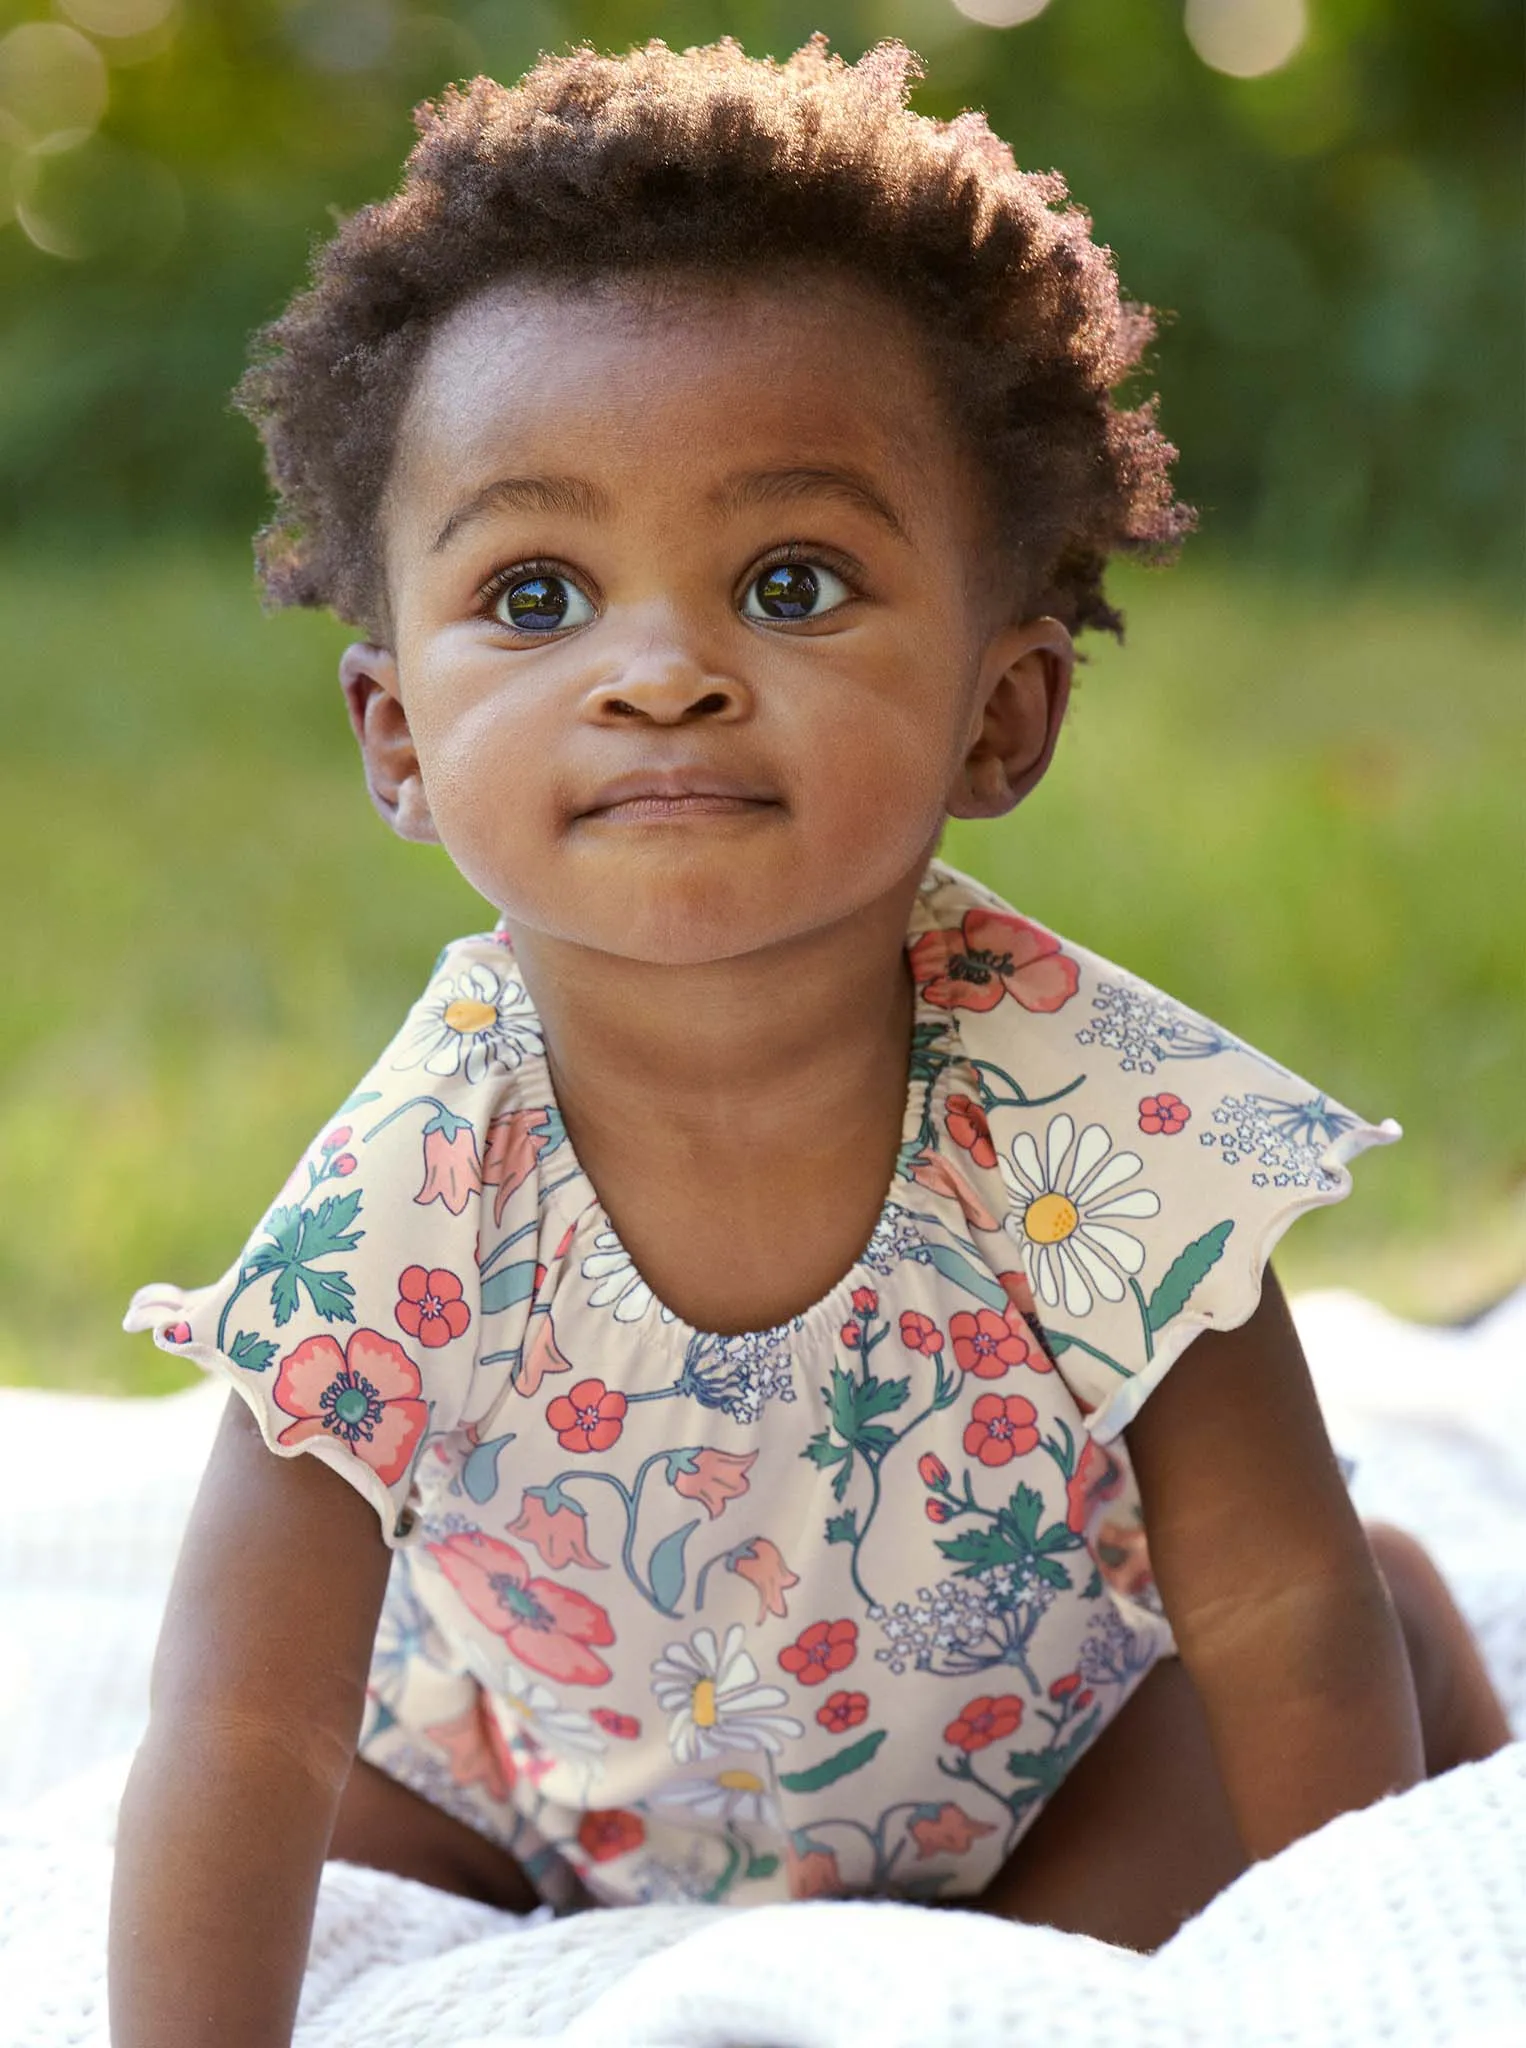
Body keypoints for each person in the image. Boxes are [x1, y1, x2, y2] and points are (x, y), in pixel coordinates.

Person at [108, 34, 1511, 2046]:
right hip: (551, 1787)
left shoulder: (1096, 1125)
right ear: (396, 736)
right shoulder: (407, 1199)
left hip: (1040, 1769)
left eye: (789, 580)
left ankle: (1434, 1664)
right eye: (534, 591)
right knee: (282, 1775)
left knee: (1329, 1632)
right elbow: (239, 1716)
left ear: (997, 713)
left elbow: (1265, 1600)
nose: (662, 670)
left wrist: (1359, 1965)